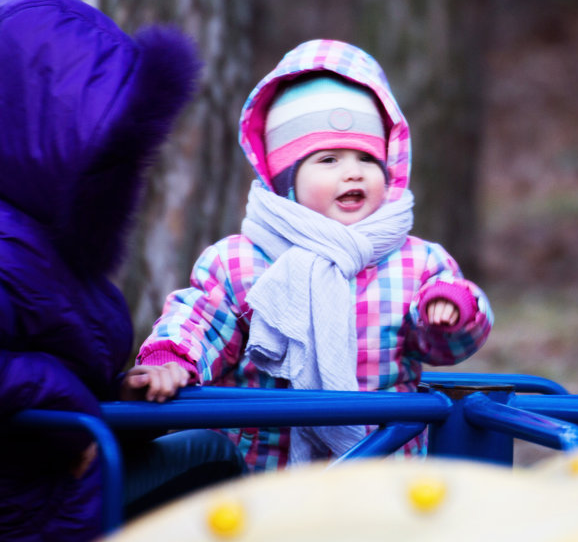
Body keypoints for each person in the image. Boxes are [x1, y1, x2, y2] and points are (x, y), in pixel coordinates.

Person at [0, 0, 244, 540]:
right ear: (59, 143)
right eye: (113, 160)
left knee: (191, 445)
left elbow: (13, 360)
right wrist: (71, 409)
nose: (127, 184)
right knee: (211, 457)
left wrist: (113, 393)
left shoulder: (18, 239)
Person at [136, 38, 494, 470]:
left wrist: (451, 311)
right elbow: (201, 320)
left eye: (366, 157)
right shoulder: (241, 261)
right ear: (286, 179)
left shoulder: (416, 263)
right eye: (328, 159)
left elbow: (447, 347)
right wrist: (170, 360)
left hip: (384, 473)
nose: (353, 171)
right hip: (263, 476)